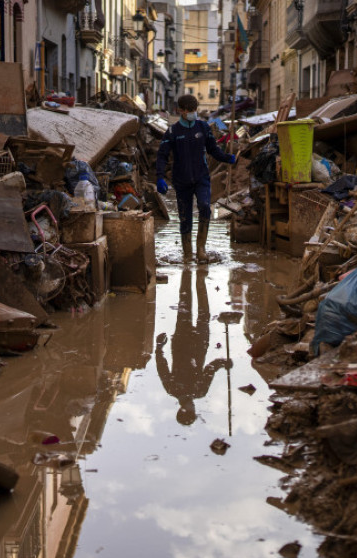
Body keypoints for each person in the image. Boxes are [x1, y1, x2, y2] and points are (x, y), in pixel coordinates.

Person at [155, 94, 236, 263]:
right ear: (180, 111)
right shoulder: (173, 131)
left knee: (205, 206)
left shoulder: (203, 127)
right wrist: (160, 177)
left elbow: (213, 150)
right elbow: (162, 155)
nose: (193, 113)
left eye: (194, 110)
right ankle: (187, 253)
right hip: (181, 180)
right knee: (185, 216)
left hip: (201, 177)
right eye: (189, 111)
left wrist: (227, 157)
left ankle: (201, 249)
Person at [156, 266, 231, 425]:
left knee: (186, 303)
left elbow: (162, 366)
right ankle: (197, 278)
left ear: (184, 410)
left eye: (191, 410)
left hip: (184, 342)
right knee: (198, 310)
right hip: (196, 344)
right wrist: (222, 362)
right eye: (193, 410)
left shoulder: (177, 389)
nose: (193, 407)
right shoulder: (194, 391)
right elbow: (210, 368)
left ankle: (189, 273)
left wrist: (159, 348)